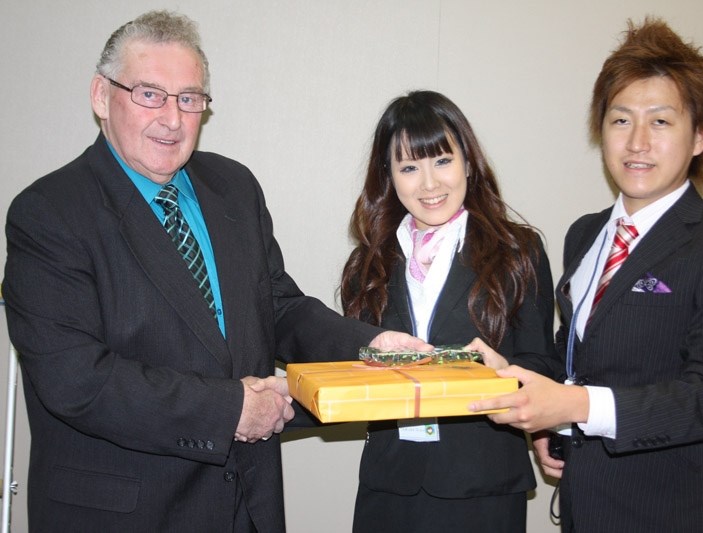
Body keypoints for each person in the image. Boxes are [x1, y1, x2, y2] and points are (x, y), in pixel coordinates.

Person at [2, 10, 428, 532]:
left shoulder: (233, 187)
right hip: (127, 514)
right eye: (149, 94)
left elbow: (277, 306)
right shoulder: (49, 212)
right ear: (100, 96)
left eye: (189, 99)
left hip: (247, 504)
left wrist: (371, 344)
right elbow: (75, 380)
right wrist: (229, 411)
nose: (173, 118)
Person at [468, 17, 703, 532]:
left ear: (699, 136)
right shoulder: (584, 234)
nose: (637, 142)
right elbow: (581, 351)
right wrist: (547, 410)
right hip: (585, 507)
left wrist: (572, 403)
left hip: (672, 514)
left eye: (660, 121)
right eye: (620, 120)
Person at [340, 90, 561, 533]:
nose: (429, 184)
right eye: (408, 167)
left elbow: (542, 363)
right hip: (389, 485)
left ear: (468, 162)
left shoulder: (519, 251)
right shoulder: (367, 264)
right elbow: (352, 368)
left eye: (442, 161)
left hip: (483, 485)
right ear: (389, 176)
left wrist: (506, 375)